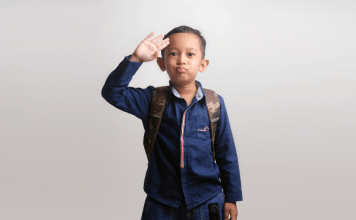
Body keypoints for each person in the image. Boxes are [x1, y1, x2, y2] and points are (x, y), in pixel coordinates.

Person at [101, 25, 242, 220]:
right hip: (161, 203)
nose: (182, 60)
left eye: (190, 54)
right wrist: (136, 59)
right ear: (162, 63)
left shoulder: (214, 103)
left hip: (207, 201)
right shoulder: (152, 100)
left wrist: (232, 198)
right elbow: (112, 93)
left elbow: (227, 152)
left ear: (203, 64)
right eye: (174, 53)